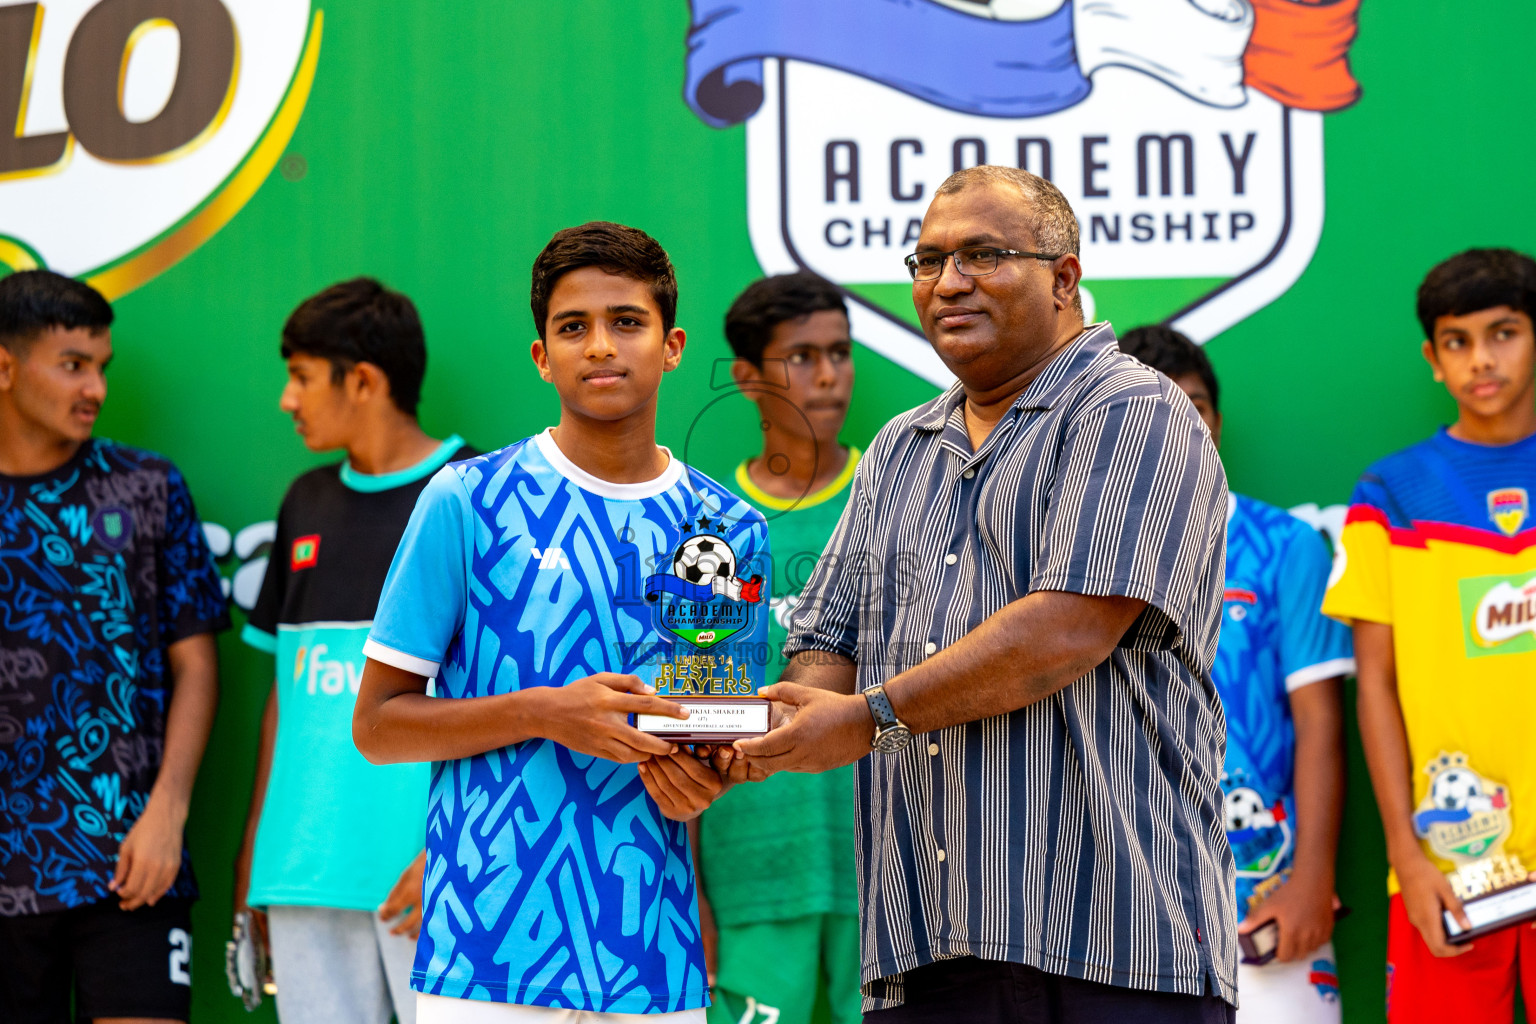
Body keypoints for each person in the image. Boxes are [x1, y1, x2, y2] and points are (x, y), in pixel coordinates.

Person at [729, 165, 1237, 1022]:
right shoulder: (900, 448)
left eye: (983, 255)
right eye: (928, 261)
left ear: (1064, 277)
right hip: (928, 951)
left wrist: (864, 718)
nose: (947, 282)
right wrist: (748, 738)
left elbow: (1065, 631)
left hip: (1115, 948)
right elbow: (826, 642)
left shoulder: (1132, 410)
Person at [351, 221, 770, 1023]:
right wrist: (547, 712)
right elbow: (378, 726)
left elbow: (710, 725)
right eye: (573, 328)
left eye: (627, 322)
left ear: (673, 345)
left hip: (652, 955)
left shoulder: (729, 529)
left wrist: (702, 779)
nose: (601, 346)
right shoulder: (466, 501)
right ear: (542, 356)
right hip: (485, 954)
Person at [234, 278, 477, 1024]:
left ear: (364, 381)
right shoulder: (303, 500)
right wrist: (258, 855)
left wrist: (452, 850)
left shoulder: (479, 493)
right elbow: (287, 695)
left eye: (302, 376)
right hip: (304, 871)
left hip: (435, 878)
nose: (287, 398)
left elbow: (510, 697)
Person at [0, 270, 228, 1022]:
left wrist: (169, 811)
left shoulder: (147, 487)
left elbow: (195, 662)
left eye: (102, 366)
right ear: (6, 367)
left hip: (132, 863)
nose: (94, 386)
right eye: (72, 364)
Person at [1323, 248, 1536, 1024]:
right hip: (1455, 862)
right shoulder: (1389, 494)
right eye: (1458, 340)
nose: (1482, 358)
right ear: (1433, 358)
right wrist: (1405, 860)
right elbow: (1373, 685)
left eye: (1504, 332)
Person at [1121, 325, 1352, 1024]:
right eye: (1151, 410)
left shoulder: (1283, 546)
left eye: (1192, 405)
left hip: (1267, 896)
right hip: (1121, 910)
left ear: (1216, 420)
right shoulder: (1074, 563)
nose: (1180, 427)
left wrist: (1313, 876)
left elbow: (1319, 723)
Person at [693, 271, 862, 1024]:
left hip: (893, 874)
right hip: (751, 871)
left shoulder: (899, 498)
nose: (827, 375)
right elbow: (692, 717)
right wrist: (688, 886)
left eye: (839, 351)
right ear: (746, 378)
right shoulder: (708, 527)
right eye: (801, 356)